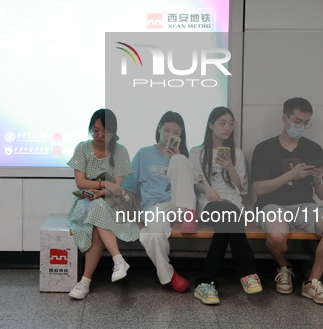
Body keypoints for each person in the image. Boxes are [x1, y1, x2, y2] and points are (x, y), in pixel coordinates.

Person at [250, 97, 323, 305]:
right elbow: (259, 189)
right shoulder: (264, 148)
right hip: (271, 204)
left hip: (304, 205)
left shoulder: (314, 149)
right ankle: (284, 267)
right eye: (297, 121)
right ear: (285, 118)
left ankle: (312, 282)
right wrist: (289, 175)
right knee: (277, 233)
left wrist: (317, 179)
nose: (301, 126)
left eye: (305, 122)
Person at [190, 107, 262, 305]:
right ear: (211, 125)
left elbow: (242, 189)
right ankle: (247, 273)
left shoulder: (237, 154)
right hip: (208, 205)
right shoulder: (196, 152)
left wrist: (230, 166)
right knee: (228, 214)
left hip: (233, 207)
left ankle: (205, 283)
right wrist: (206, 189)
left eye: (230, 123)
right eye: (222, 123)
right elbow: (193, 183)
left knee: (225, 225)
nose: (227, 127)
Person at [66, 109, 140, 300]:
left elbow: (117, 188)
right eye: (95, 130)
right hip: (85, 203)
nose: (99, 135)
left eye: (104, 132)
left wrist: (102, 191)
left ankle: (85, 282)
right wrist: (103, 184)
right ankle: (118, 259)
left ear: (114, 131)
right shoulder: (82, 148)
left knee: (98, 216)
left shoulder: (120, 151)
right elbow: (80, 183)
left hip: (113, 203)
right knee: (96, 210)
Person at [122, 111, 197, 293]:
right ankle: (170, 276)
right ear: (159, 130)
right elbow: (128, 190)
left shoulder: (183, 155)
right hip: (155, 207)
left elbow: (194, 184)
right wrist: (137, 220)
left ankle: (191, 213)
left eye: (176, 133)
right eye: (167, 130)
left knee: (180, 160)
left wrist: (178, 158)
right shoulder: (144, 154)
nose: (171, 135)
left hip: (181, 204)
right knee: (152, 235)